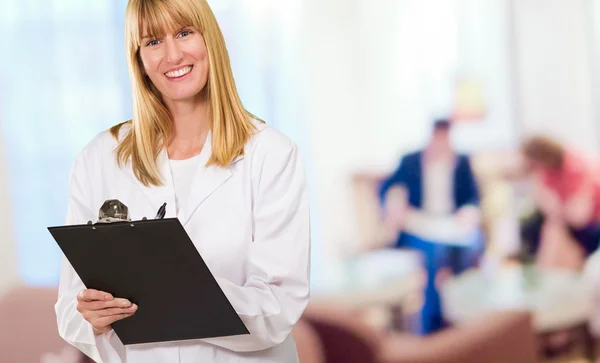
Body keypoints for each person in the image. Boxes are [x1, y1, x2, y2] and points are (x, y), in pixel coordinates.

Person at [54, 1, 310, 362]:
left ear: (210, 39)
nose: (172, 55)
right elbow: (69, 309)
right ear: (138, 58)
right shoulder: (99, 160)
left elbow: (280, 306)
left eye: (184, 33)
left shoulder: (271, 154)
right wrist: (94, 320)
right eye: (153, 42)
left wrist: (183, 290)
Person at [379, 118, 483, 334]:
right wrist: (393, 201)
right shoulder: (410, 161)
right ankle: (431, 325)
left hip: (452, 224)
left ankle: (463, 319)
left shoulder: (461, 162)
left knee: (473, 245)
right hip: (419, 224)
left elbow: (473, 198)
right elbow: (386, 188)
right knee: (434, 257)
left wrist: (469, 211)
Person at [520, 135, 600, 269]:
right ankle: (548, 272)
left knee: (554, 232)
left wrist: (558, 213)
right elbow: (546, 200)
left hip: (590, 220)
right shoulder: (547, 171)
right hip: (568, 217)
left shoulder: (576, 166)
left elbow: (579, 215)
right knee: (540, 229)